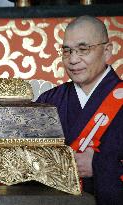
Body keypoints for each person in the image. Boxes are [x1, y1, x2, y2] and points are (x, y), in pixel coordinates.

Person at [36, 15, 123, 205]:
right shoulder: (49, 101)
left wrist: (99, 165)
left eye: (83, 50)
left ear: (107, 51)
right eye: (67, 51)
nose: (73, 60)